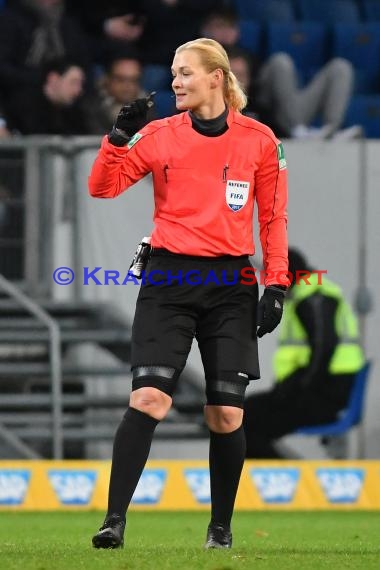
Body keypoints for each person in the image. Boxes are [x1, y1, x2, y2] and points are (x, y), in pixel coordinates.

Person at [88, 37, 288, 550]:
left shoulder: (260, 141)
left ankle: (219, 531)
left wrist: (277, 284)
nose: (175, 81)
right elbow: (102, 188)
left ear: (216, 77)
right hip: (169, 281)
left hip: (230, 286)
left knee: (225, 415)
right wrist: (117, 138)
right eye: (174, 73)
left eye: (185, 73)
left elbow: (272, 219)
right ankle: (114, 521)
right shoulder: (157, 135)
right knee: (149, 397)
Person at [243, 248, 365, 459]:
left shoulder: (314, 300)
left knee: (243, 425)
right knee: (242, 414)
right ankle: (286, 480)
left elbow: (323, 351)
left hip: (325, 393)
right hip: (314, 389)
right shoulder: (306, 296)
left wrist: (293, 389)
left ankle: (290, 483)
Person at [201, 8, 359, 139]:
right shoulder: (197, 56)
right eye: (219, 26)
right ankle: (297, 128)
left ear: (236, 32)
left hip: (285, 112)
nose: (224, 32)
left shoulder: (249, 56)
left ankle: (329, 131)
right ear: (206, 30)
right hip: (265, 112)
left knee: (340, 67)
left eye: (229, 27)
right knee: (280, 61)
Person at [6, 57, 86, 134]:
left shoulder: (75, 110)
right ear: (53, 79)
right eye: (73, 82)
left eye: (81, 84)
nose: (79, 90)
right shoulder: (23, 105)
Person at [84, 56, 153, 135]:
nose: (127, 86)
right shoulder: (91, 105)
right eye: (120, 80)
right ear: (107, 79)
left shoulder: (146, 106)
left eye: (133, 80)